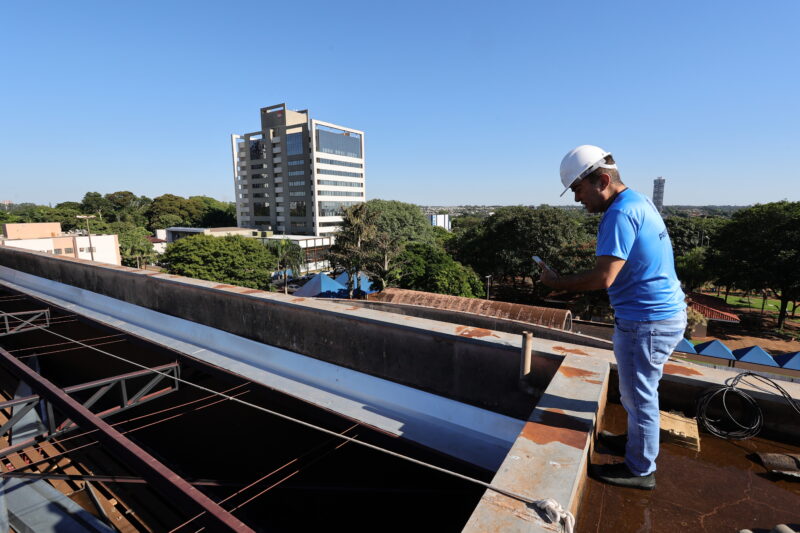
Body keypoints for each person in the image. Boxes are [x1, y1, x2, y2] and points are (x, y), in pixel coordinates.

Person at [539, 145, 686, 490]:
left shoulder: (619, 214)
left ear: (602, 180)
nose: (577, 199)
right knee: (637, 392)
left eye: (578, 189)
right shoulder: (638, 201)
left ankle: (640, 469)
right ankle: (637, 445)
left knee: (639, 395)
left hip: (646, 321)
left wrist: (556, 283)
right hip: (658, 315)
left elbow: (604, 278)